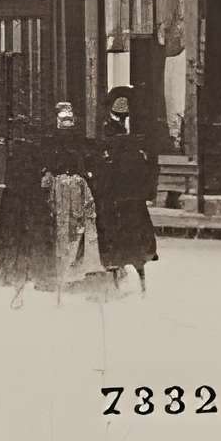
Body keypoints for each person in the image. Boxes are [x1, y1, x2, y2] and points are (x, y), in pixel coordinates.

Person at [94, 86, 159, 295]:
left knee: (129, 237)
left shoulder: (131, 130)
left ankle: (136, 279)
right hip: (119, 193)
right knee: (120, 237)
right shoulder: (109, 131)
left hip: (128, 194)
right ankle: (123, 279)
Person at [0, 114, 56, 307]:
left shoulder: (15, 155)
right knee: (33, 243)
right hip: (30, 205)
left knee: (16, 246)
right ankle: (34, 281)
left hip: (15, 206)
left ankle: (17, 288)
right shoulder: (36, 156)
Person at [42, 102, 104, 302]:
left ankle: (66, 271)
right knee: (71, 227)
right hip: (69, 186)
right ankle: (67, 271)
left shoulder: (60, 143)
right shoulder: (70, 143)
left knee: (68, 227)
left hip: (68, 186)